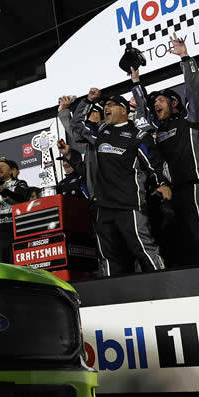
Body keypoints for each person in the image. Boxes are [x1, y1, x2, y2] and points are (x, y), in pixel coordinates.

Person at [138, 35, 199, 266]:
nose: (155, 104)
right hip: (170, 194)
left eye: (160, 100)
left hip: (193, 186)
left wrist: (185, 58)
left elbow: (196, 90)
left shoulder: (190, 120)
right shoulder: (156, 131)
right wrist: (135, 81)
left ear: (174, 103)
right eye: (153, 102)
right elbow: (140, 116)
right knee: (180, 245)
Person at [76, 68, 173, 276]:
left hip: (129, 204)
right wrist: (87, 101)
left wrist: (162, 183)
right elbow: (77, 124)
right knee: (109, 255)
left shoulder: (138, 135)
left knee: (143, 248)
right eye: (105, 106)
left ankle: (163, 283)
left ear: (123, 110)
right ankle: (116, 295)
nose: (106, 108)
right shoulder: (100, 134)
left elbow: (153, 163)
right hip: (103, 206)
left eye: (111, 105)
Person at [58, 90, 103, 200]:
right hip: (99, 198)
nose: (84, 120)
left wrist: (64, 111)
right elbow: (85, 172)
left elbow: (77, 131)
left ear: (97, 114)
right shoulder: (90, 143)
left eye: (87, 115)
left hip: (113, 195)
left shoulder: (104, 131)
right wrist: (68, 155)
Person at [0, 158, 30, 263]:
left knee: (17, 266)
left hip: (16, 232)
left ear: (11, 171)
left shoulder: (19, 184)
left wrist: (4, 192)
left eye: (3, 166)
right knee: (1, 267)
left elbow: (23, 199)